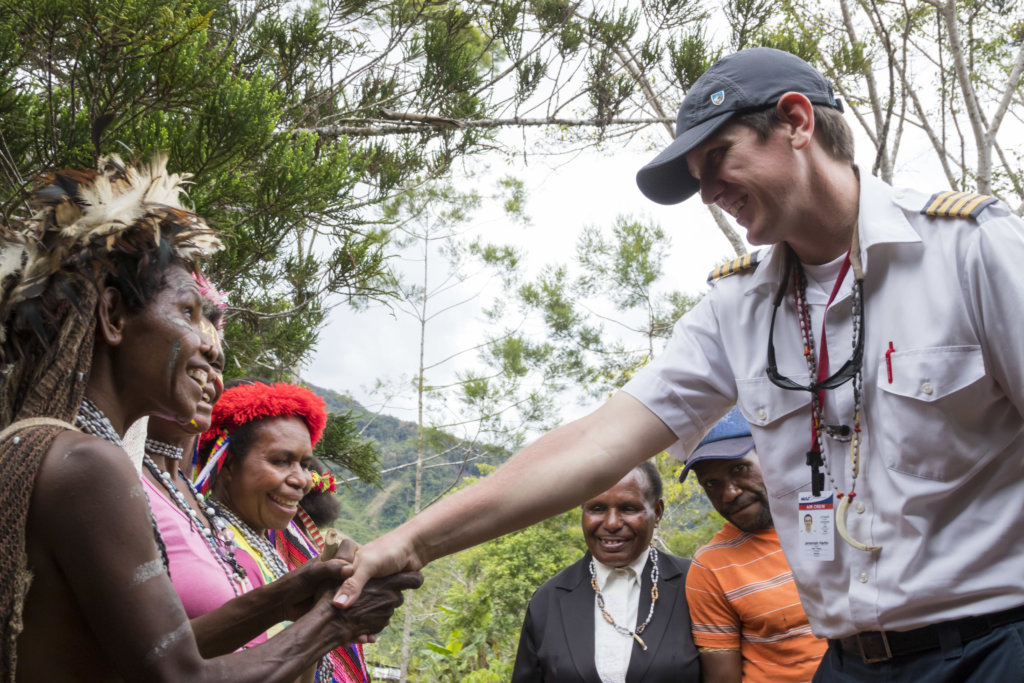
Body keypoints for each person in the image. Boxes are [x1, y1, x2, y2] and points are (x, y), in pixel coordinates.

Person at [337, 46, 1024, 682]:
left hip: (995, 646)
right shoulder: (738, 305)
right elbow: (595, 443)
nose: (708, 192)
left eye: (720, 158)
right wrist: (410, 540)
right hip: (848, 660)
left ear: (795, 121)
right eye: (697, 178)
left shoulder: (970, 250)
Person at [0, 155, 421, 681]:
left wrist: (289, 594)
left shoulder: (40, 445)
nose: (211, 346)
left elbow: (154, 652)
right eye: (188, 313)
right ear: (112, 316)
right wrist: (336, 625)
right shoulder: (89, 465)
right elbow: (180, 678)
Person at [198, 379, 370, 682]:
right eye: (281, 461)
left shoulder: (277, 545)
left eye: (304, 464)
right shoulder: (205, 544)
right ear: (227, 464)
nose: (301, 479)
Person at [512, 462, 700, 682]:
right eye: (597, 508)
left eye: (628, 508)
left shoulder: (697, 584)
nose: (611, 523)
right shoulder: (548, 600)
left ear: (657, 513)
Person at [682, 409, 825, 682]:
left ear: (768, 456)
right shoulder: (712, 566)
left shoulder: (828, 515)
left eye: (739, 468)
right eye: (711, 483)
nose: (730, 493)